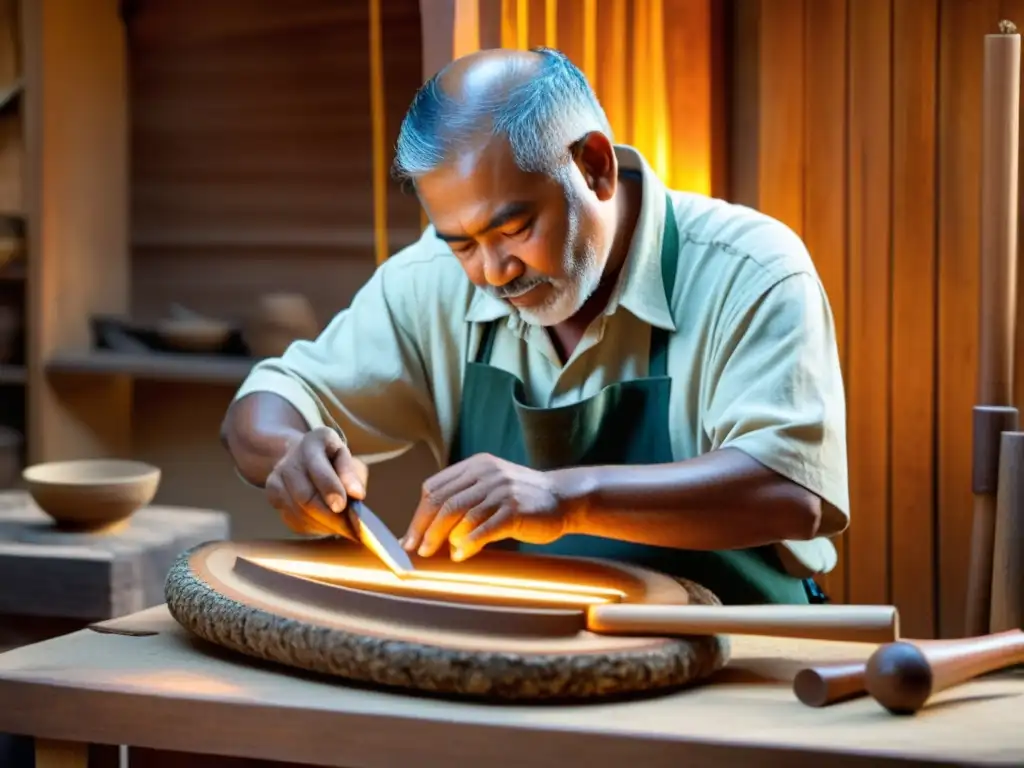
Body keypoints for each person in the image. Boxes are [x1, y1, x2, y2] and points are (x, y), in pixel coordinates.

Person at [221, 47, 849, 605]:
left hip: (736, 656)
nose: (493, 272)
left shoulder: (752, 269)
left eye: (515, 229)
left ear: (595, 166)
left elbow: (790, 491)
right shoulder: (430, 279)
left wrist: (564, 498)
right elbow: (266, 403)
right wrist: (293, 456)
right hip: (520, 663)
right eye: (462, 243)